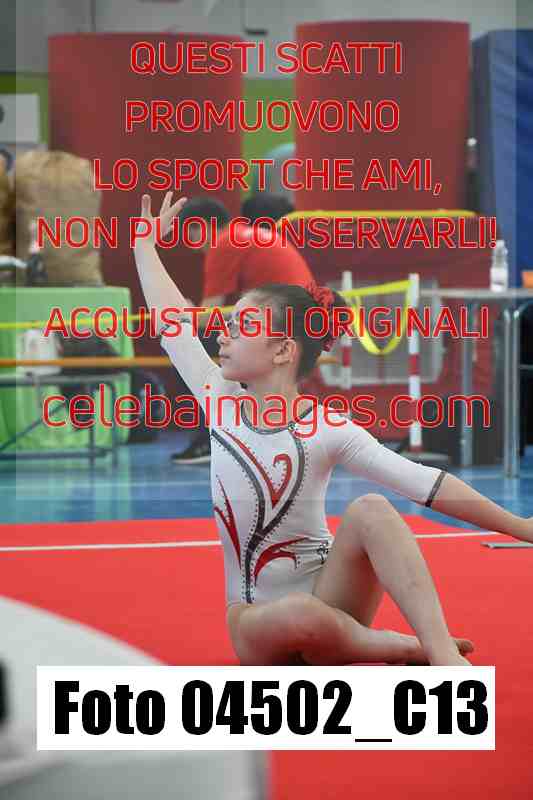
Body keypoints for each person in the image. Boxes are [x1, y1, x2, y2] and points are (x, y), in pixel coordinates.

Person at [134, 192, 533, 667]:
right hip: (257, 622)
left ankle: (440, 647)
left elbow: (425, 483)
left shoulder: (327, 426)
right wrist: (145, 248)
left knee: (373, 509)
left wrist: (522, 527)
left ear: (283, 350)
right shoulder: (219, 399)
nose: (223, 334)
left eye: (241, 327)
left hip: (334, 596)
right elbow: (173, 325)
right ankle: (402, 646)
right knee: (301, 614)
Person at [172, 193, 313, 465]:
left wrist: (184, 313)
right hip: (298, 326)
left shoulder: (224, 243)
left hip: (287, 326)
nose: (191, 245)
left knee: (190, 347)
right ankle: (239, 434)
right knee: (223, 345)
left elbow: (208, 317)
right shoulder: (244, 236)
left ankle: (212, 439)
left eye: (190, 233)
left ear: (203, 226)